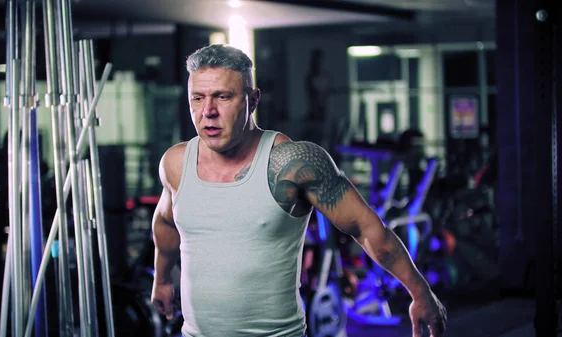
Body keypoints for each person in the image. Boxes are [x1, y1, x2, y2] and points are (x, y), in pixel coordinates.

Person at [150, 44, 447, 337]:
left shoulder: (293, 163)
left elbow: (366, 227)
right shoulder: (176, 163)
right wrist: (162, 280)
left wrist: (420, 293)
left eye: (222, 97)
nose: (208, 112)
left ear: (252, 101)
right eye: (197, 98)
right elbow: (165, 222)